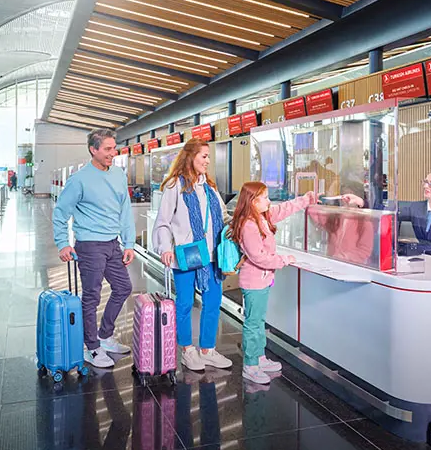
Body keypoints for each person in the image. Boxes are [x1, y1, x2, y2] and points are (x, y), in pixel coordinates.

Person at [53, 129, 136, 369]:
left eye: (114, 147)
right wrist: (63, 243)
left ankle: (105, 336)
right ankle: (92, 347)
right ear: (94, 149)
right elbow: (61, 212)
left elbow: (125, 211)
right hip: (89, 245)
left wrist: (128, 243)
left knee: (123, 287)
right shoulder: (79, 179)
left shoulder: (119, 175)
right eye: (108, 149)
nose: (113, 152)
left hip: (113, 244)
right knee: (91, 296)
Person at [152, 138, 232, 372]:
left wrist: (238, 222)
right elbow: (163, 222)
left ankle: (207, 349)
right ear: (190, 157)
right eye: (204, 156)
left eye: (208, 156)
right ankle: (187, 350)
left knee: (213, 303)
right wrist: (164, 247)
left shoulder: (210, 187)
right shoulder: (175, 185)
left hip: (212, 255)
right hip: (188, 254)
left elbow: (223, 216)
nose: (208, 161)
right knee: (185, 303)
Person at [228, 181, 316, 384]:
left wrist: (306, 199)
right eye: (265, 198)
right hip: (254, 282)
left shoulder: (261, 217)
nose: (269, 201)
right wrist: (283, 260)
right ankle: (250, 365)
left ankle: (259, 357)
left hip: (263, 280)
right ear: (252, 201)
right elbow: (258, 257)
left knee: (259, 321)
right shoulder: (249, 225)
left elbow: (284, 209)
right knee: (253, 323)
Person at [343, 168, 431, 259]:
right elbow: (390, 213)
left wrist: (418, 249)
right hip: (429, 261)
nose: (425, 186)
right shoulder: (417, 207)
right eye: (425, 182)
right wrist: (360, 201)